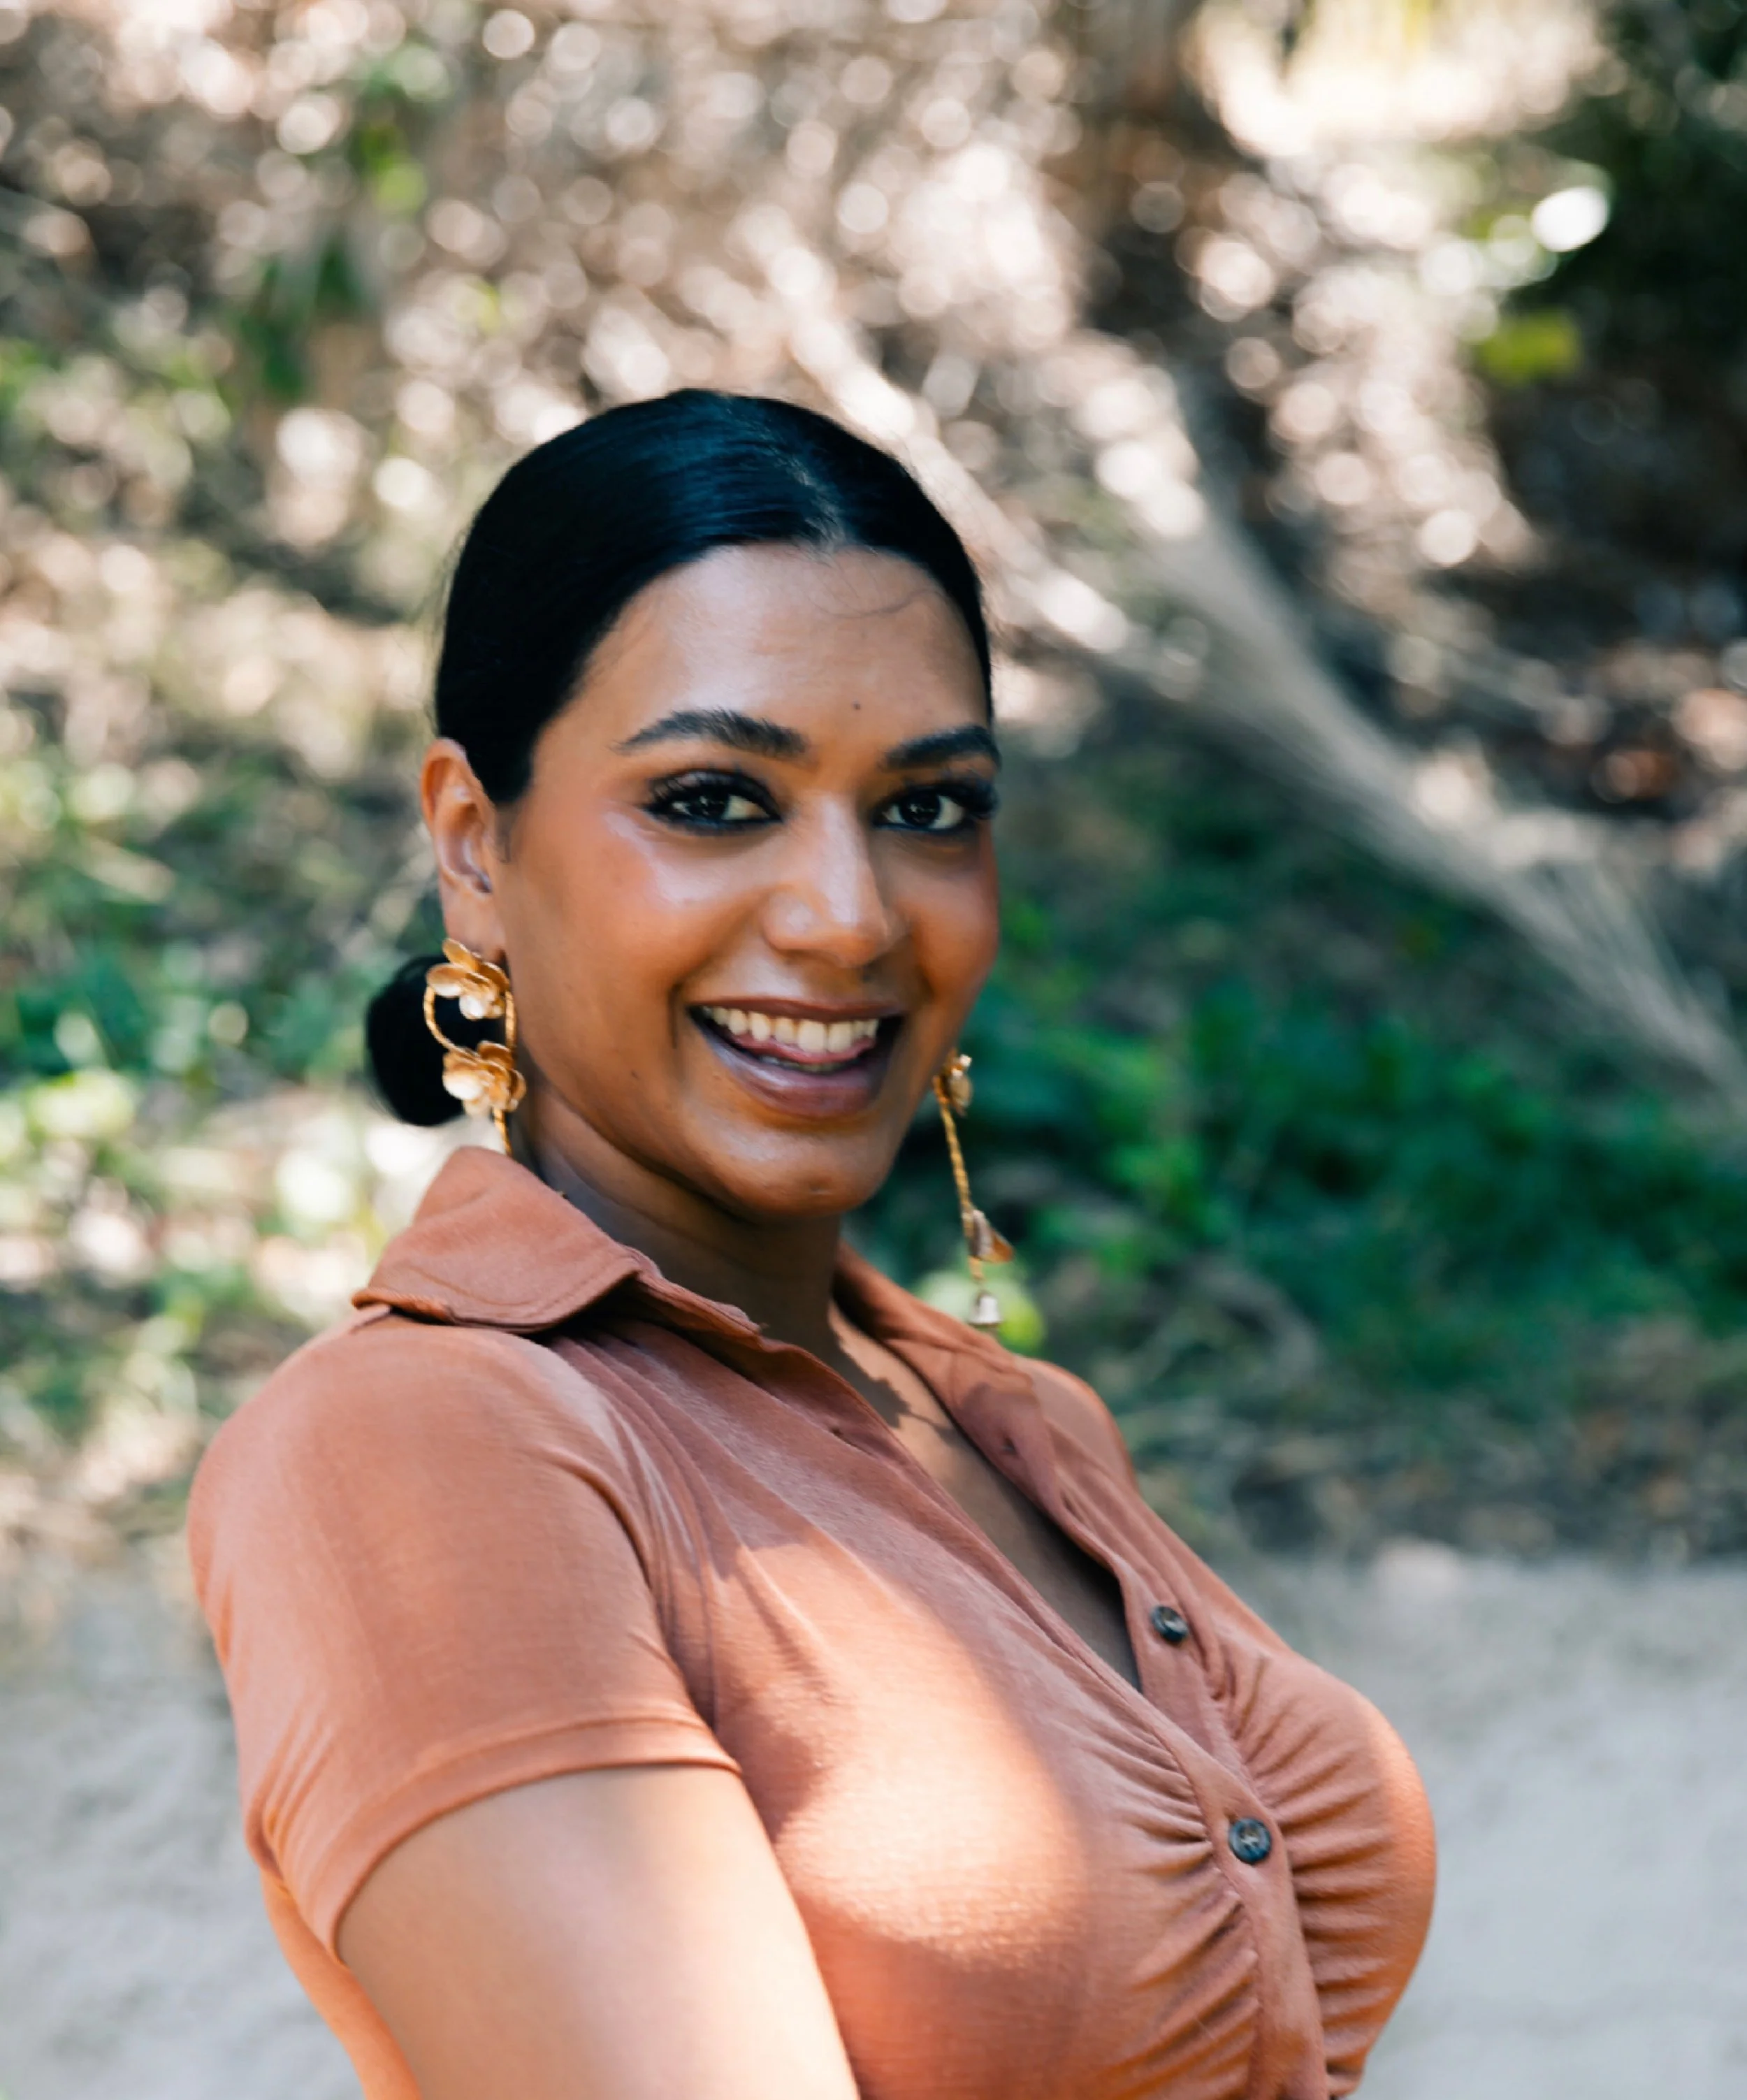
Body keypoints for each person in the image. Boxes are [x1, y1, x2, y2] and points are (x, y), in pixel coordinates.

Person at [189, 389, 1434, 2100]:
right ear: (475, 845)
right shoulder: (423, 1449)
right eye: (712, 798)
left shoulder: (1008, 1415)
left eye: (926, 809)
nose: (849, 919)